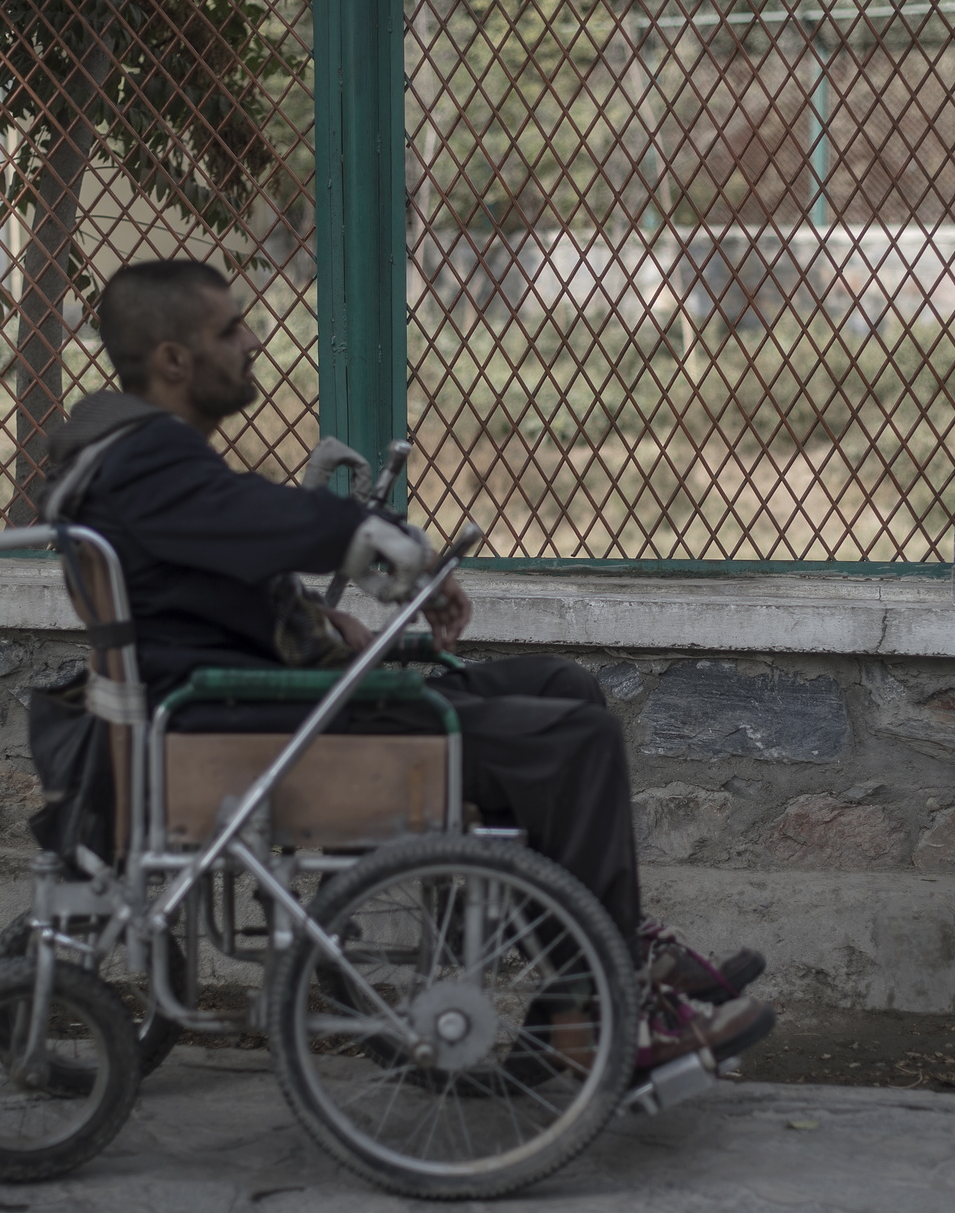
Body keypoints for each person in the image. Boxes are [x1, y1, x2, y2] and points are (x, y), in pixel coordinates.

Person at [39, 257, 774, 1073]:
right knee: (575, 742)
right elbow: (245, 521)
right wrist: (379, 541)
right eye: (229, 328)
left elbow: (195, 585)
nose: (254, 339)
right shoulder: (147, 461)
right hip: (260, 727)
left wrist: (325, 619)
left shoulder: (146, 459)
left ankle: (612, 945)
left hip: (267, 702)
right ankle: (588, 1012)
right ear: (172, 359)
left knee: (560, 686)